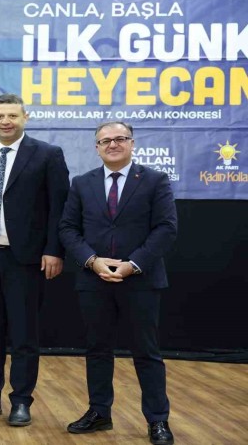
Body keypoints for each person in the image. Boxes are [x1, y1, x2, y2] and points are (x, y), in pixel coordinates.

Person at [59, 122, 177, 445]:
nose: (113, 144)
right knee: (97, 349)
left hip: (140, 281)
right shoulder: (82, 183)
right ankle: (99, 412)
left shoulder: (155, 180)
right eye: (105, 140)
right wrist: (92, 261)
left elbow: (166, 228)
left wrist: (132, 265)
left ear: (132, 143)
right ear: (96, 147)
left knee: (147, 352)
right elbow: (68, 228)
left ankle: (158, 420)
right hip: (93, 279)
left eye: (120, 139)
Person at [0, 93, 70, 426]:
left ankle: (21, 401)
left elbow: (59, 207)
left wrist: (54, 250)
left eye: (12, 116)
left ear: (25, 118)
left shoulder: (47, 155)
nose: (6, 121)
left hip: (25, 261)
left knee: (23, 335)